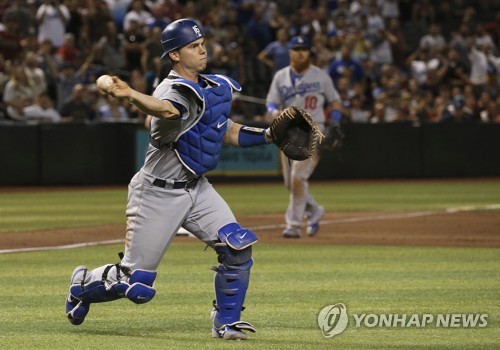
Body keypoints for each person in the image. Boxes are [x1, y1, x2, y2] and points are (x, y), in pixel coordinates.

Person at [65, 18, 278, 341]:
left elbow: (226, 130)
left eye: (202, 42)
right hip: (156, 193)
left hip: (197, 188)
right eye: (193, 46)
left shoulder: (212, 86)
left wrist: (268, 135)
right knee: (136, 284)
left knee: (238, 248)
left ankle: (227, 322)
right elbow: (166, 111)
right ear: (175, 55)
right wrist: (130, 94)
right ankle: (82, 284)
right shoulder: (171, 89)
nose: (202, 49)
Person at [265, 36, 342, 238]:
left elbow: (335, 102)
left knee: (298, 177)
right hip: (288, 133)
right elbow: (271, 103)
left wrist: (335, 122)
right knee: (290, 183)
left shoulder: (321, 76)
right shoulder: (280, 77)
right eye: (297, 48)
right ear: (290, 52)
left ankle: (294, 224)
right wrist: (274, 112)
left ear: (309, 53)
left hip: (313, 131)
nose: (300, 52)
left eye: (304, 49)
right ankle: (315, 211)